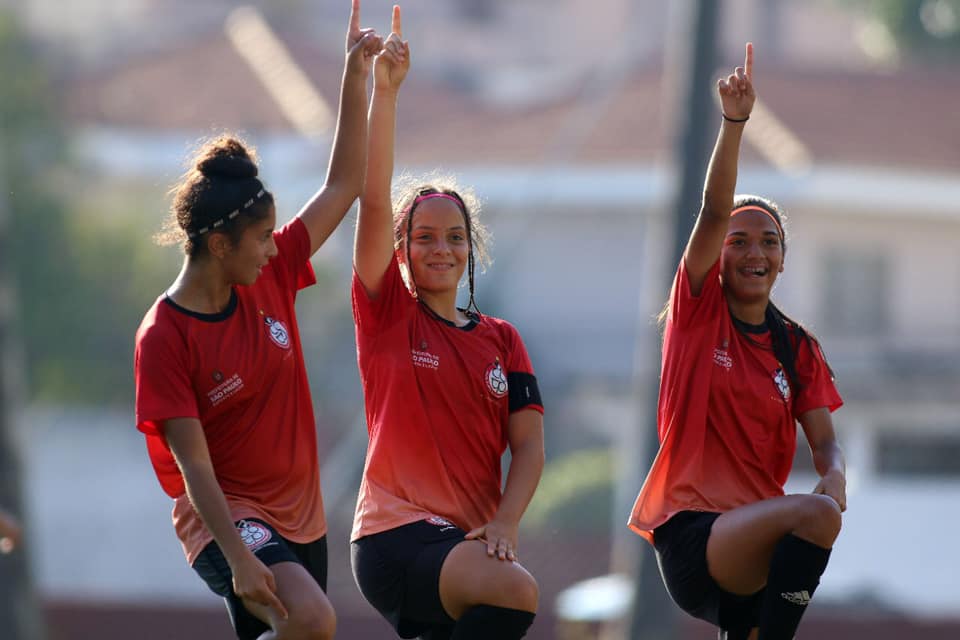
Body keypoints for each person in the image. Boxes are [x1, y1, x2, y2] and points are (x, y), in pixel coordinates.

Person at [133, 3, 382, 638]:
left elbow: (345, 183)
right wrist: (240, 559)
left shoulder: (268, 274)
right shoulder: (164, 335)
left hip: (302, 516)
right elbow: (195, 467)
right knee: (316, 621)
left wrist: (356, 78)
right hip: (227, 520)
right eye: (263, 237)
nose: (277, 247)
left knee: (303, 630)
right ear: (220, 246)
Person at [628, 43, 846, 640]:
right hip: (695, 538)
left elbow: (824, 440)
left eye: (769, 242)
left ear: (783, 259)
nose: (755, 252)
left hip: (756, 542)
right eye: (740, 241)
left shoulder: (796, 345)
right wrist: (734, 124)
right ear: (718, 256)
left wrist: (835, 474)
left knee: (819, 510)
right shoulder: (699, 315)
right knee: (814, 513)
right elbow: (711, 208)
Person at [348, 7, 544, 639]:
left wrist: (508, 521)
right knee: (515, 591)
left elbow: (530, 448)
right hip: (393, 537)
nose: (441, 249)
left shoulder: (502, 340)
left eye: (455, 237)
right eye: (425, 236)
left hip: (462, 545)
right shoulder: (386, 313)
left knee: (505, 593)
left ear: (471, 249)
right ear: (401, 249)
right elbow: (375, 199)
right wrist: (387, 91)